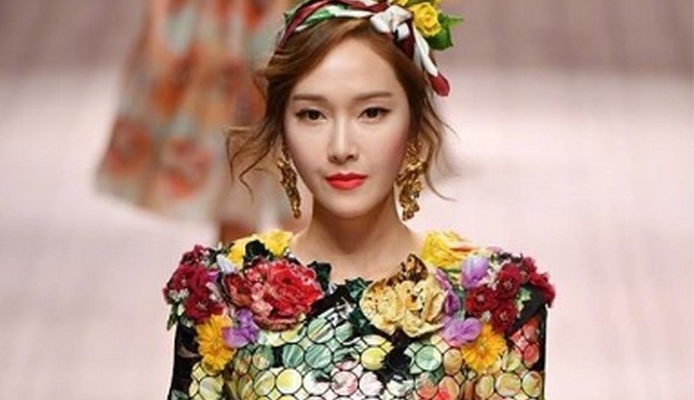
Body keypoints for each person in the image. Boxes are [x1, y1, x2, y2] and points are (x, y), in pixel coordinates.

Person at [162, 1, 556, 399]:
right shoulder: (223, 293)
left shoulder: (492, 300)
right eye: (312, 115)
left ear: (415, 128)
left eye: (372, 112)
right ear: (281, 132)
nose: (341, 147)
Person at [95, 0, 302, 243]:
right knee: (244, 192)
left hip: (269, 25)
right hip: (226, 35)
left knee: (296, 174)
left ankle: (305, 256)